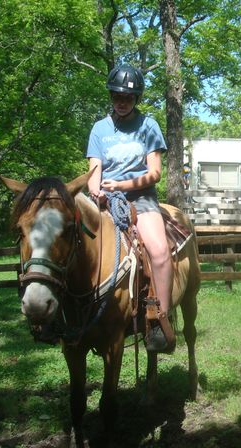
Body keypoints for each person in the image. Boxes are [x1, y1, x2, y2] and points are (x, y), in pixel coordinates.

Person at [86, 63, 175, 353]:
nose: (121, 102)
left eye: (127, 98)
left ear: (136, 99)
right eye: (116, 97)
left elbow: (155, 173)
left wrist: (122, 187)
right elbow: (94, 171)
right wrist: (97, 191)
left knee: (160, 252)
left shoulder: (148, 126)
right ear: (111, 96)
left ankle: (160, 317)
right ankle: (71, 312)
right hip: (106, 199)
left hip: (141, 197)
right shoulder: (99, 129)